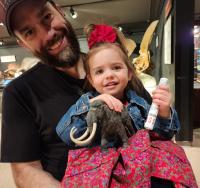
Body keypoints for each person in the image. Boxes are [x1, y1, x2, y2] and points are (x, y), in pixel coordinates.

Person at [0, 1, 127, 187]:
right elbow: (26, 170)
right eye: (29, 32)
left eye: (46, 17)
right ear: (23, 44)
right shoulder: (19, 93)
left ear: (60, 11)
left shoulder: (112, 68)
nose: (49, 34)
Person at [55, 24, 198, 187]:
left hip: (137, 162)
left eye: (116, 68)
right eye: (99, 71)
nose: (109, 75)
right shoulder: (88, 102)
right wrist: (91, 105)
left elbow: (162, 135)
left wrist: (164, 112)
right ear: (91, 79)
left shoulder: (137, 102)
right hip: (100, 167)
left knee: (172, 164)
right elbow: (65, 134)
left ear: (129, 73)